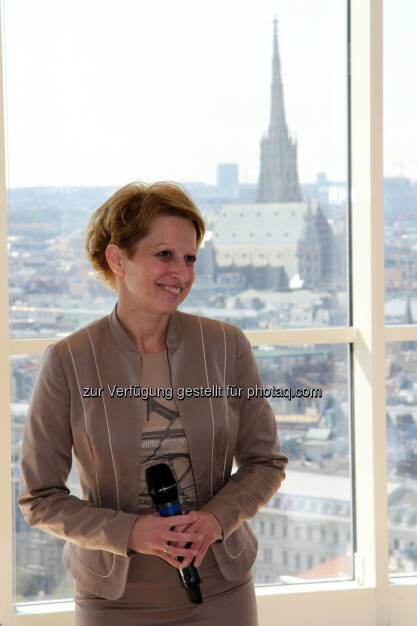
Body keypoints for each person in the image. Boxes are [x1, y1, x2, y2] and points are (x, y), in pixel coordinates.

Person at [18, 181, 288, 625]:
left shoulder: (225, 346)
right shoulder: (69, 361)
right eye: (164, 254)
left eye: (190, 258)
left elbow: (266, 462)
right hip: (114, 598)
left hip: (222, 587)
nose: (180, 273)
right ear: (116, 258)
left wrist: (216, 521)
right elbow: (39, 498)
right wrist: (132, 531)